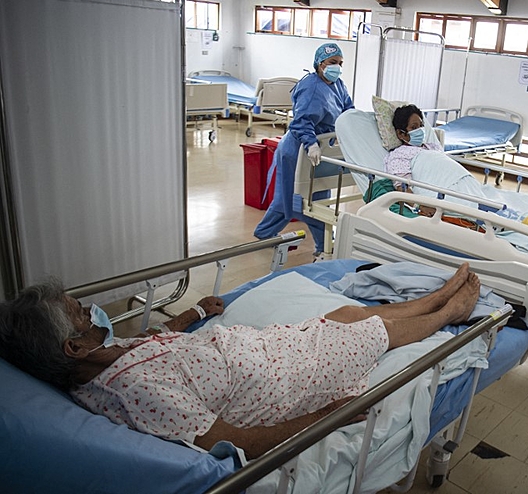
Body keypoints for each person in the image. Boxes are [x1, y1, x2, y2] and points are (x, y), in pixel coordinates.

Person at [0, 264, 481, 459]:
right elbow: (233, 442)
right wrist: (328, 416)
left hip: (262, 349)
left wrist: (193, 311)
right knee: (376, 331)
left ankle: (435, 297)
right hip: (280, 381)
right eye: (77, 312)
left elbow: (150, 337)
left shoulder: (104, 356)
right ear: (72, 347)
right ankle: (449, 314)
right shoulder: (134, 393)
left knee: (348, 313)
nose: (88, 310)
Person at [253, 43, 354, 258]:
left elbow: (347, 109)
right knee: (290, 199)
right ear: (319, 64)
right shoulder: (311, 86)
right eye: (332, 63)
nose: (337, 67)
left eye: (340, 63)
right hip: (298, 150)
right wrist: (311, 144)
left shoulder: (338, 84)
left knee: (317, 198)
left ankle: (324, 245)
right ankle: (264, 234)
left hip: (320, 149)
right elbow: (301, 122)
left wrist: (355, 125)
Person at [384, 104, 443, 189]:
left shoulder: (434, 147)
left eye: (421, 126)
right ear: (401, 134)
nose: (420, 130)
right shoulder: (399, 156)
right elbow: (404, 190)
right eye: (414, 127)